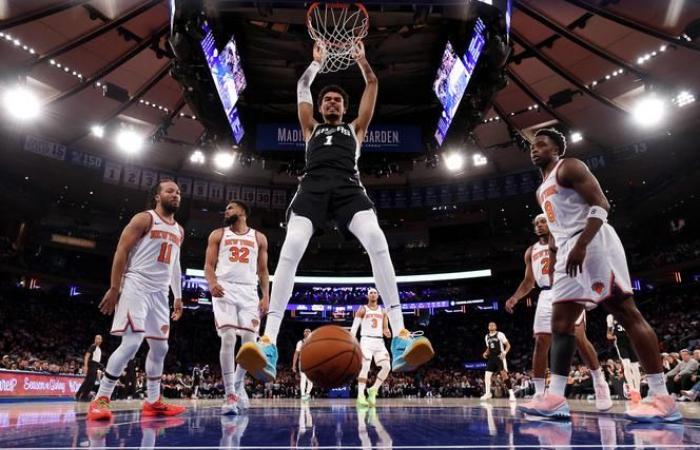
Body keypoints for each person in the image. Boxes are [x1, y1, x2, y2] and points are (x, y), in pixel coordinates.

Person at [236, 41, 433, 381]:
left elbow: (372, 85)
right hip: (312, 186)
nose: (331, 102)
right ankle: (268, 343)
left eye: (337, 100)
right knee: (291, 247)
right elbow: (301, 88)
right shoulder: (310, 128)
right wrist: (316, 64)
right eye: (327, 99)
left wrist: (362, 61)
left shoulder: (356, 129)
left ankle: (400, 336)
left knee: (376, 238)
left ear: (344, 108)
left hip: (348, 186)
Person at [524, 128, 680, 422]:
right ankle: (556, 397)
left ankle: (662, 397)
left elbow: (601, 205)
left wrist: (582, 244)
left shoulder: (569, 166)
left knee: (624, 311)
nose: (535, 149)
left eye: (542, 144)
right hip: (568, 248)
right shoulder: (540, 188)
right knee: (560, 324)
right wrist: (561, 253)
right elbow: (559, 227)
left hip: (592, 240)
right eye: (532, 146)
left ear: (556, 149)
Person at [87, 179, 186, 421]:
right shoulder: (144, 219)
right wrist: (114, 287)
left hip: (160, 293)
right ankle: (101, 399)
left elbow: (175, 264)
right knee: (132, 344)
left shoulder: (179, 230)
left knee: (161, 347)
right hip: (136, 286)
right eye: (170, 191)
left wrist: (178, 295)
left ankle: (153, 402)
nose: (176, 195)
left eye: (178, 192)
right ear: (157, 196)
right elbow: (121, 250)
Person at [506, 215, 612, 411]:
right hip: (546, 294)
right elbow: (529, 281)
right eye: (536, 223)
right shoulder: (531, 251)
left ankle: (600, 382)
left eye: (543, 221)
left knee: (579, 337)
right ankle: (539, 394)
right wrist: (515, 297)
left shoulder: (564, 238)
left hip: (567, 287)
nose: (539, 225)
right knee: (540, 342)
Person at [205, 200, 269, 415]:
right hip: (225, 289)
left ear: (243, 212)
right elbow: (208, 265)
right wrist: (212, 283)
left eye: (231, 207)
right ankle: (230, 393)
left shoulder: (259, 237)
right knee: (229, 337)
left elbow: (263, 270)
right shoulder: (218, 234)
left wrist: (266, 296)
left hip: (249, 292)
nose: (227, 211)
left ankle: (239, 384)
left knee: (250, 346)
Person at [350, 288, 392, 407]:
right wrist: (352, 339)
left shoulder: (383, 311)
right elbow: (355, 326)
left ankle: (373, 389)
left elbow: (385, 328)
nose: (373, 295)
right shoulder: (363, 309)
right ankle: (360, 396)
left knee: (387, 367)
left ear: (378, 295)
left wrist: (387, 332)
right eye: (371, 293)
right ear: (368, 296)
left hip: (379, 341)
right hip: (366, 340)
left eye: (375, 293)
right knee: (366, 366)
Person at [607, 313, 642, 402]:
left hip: (631, 342)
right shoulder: (611, 317)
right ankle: (632, 389)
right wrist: (615, 336)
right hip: (621, 344)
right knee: (626, 366)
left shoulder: (628, 313)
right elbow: (608, 335)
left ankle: (638, 391)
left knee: (635, 368)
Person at [480, 322, 515, 402]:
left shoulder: (500, 334)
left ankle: (512, 394)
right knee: (487, 376)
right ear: (488, 327)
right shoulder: (486, 336)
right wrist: (485, 353)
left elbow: (508, 345)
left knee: (504, 375)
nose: (491, 326)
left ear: (496, 327)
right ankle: (488, 393)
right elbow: (489, 348)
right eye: (490, 325)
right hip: (491, 358)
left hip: (499, 357)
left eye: (493, 325)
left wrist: (504, 353)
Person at [76, 335, 103, 402]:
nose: (98, 340)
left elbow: (97, 359)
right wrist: (86, 366)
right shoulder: (93, 346)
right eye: (96, 338)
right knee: (88, 380)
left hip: (96, 365)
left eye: (99, 339)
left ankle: (85, 396)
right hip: (91, 365)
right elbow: (87, 356)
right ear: (95, 339)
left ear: (101, 341)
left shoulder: (98, 349)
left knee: (92, 382)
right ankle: (78, 394)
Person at [292, 328, 314, 402]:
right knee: (303, 379)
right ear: (303, 333)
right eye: (305, 331)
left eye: (308, 331)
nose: (307, 332)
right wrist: (293, 365)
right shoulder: (300, 342)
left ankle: (307, 394)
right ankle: (303, 395)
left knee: (310, 380)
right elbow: (296, 354)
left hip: (311, 363)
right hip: (302, 362)